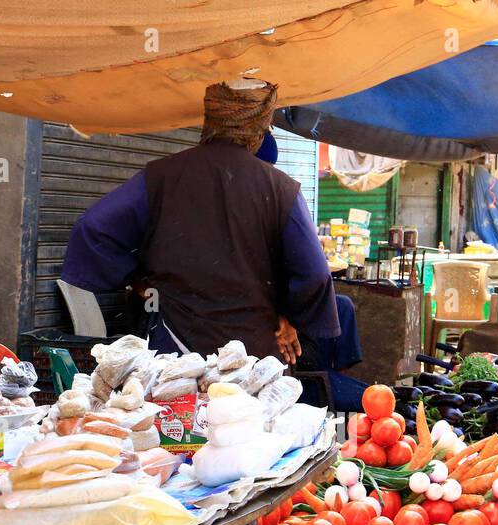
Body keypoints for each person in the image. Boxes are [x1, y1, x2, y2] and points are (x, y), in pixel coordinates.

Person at [61, 80, 338, 364]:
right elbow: (315, 274)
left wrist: (136, 279)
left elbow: (92, 226)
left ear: (210, 121)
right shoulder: (282, 188)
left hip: (175, 352)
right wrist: (290, 316)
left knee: (175, 410)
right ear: (259, 127)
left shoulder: (161, 176)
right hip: (250, 358)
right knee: (241, 411)